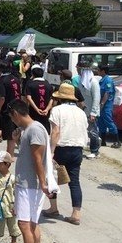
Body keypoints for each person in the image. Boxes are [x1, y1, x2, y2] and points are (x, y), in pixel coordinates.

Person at [8, 99, 57, 243]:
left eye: (11, 117)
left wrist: (43, 183)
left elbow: (38, 158)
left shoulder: (34, 129)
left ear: (15, 114)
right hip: (30, 183)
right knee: (33, 224)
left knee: (24, 224)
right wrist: (17, 139)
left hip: (29, 184)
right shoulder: (30, 129)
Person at [45, 83, 88, 225]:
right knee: (74, 181)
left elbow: (55, 132)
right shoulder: (81, 112)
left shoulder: (57, 110)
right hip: (77, 149)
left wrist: (51, 151)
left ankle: (53, 208)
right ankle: (76, 213)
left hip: (61, 148)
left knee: (52, 178)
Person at [72, 61, 101, 159]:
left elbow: (96, 98)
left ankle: (95, 151)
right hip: (82, 110)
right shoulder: (81, 81)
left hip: (91, 112)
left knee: (92, 132)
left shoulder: (93, 82)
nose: (77, 70)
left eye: (79, 68)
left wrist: (93, 113)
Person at [96, 65, 120, 148]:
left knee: (109, 122)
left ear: (103, 71)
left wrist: (102, 104)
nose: (97, 71)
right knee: (101, 122)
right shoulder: (102, 80)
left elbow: (107, 93)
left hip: (107, 105)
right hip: (102, 105)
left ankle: (117, 141)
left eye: (98, 70)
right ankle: (103, 141)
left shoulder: (108, 80)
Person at [24, 66, 53, 133]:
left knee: (34, 130)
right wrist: (47, 109)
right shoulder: (48, 84)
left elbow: (28, 98)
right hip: (45, 113)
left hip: (33, 111)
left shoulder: (30, 84)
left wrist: (37, 109)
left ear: (33, 74)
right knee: (45, 131)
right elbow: (52, 98)